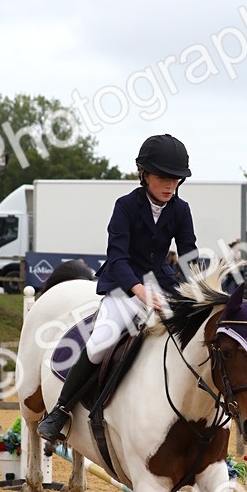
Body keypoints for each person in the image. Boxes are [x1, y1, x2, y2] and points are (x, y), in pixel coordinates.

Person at [37, 132, 197, 444]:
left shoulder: (181, 210)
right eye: (164, 177)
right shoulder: (125, 206)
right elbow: (118, 257)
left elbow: (189, 255)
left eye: (176, 179)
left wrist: (197, 293)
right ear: (144, 174)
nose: (170, 185)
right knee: (101, 341)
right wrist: (139, 291)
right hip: (124, 286)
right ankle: (59, 410)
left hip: (162, 283)